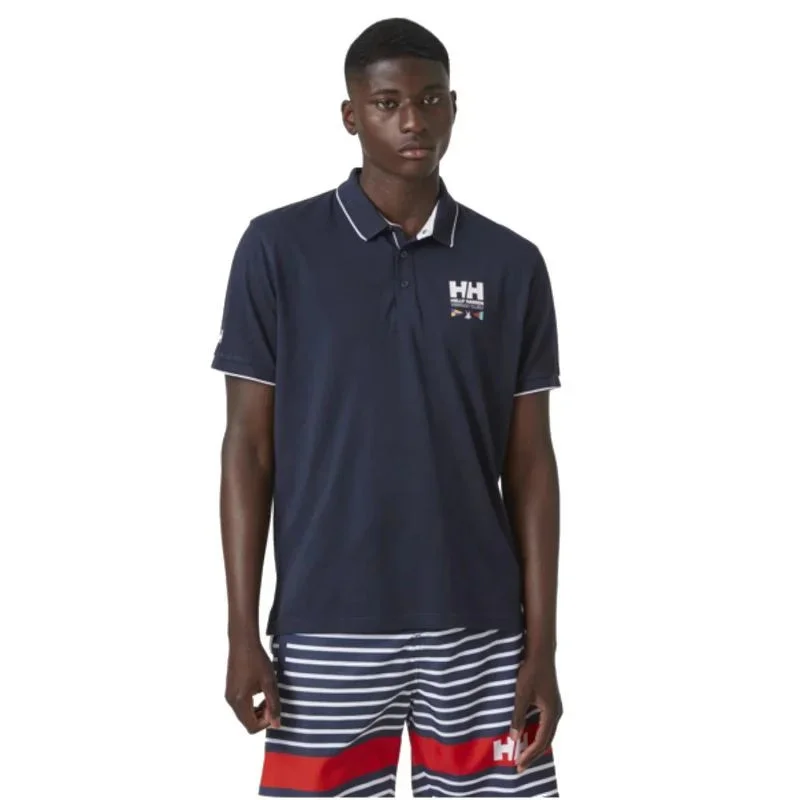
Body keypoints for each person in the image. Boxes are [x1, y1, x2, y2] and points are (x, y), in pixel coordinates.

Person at [212, 17, 564, 798]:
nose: (413, 120)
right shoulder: (278, 249)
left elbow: (531, 464)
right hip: (326, 626)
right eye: (388, 102)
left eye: (431, 99)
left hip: (481, 632)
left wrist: (542, 646)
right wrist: (241, 630)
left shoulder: (511, 263)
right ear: (351, 115)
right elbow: (248, 448)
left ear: (454, 107)